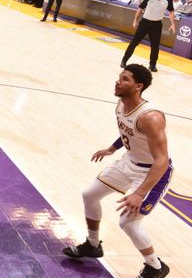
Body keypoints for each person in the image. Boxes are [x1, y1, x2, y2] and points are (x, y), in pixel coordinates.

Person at [63, 64, 172, 278]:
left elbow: (162, 160)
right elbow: (128, 131)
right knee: (89, 195)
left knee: (128, 223)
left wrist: (139, 193)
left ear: (138, 86)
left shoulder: (151, 117)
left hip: (152, 173)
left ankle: (156, 267)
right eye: (119, 78)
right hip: (128, 162)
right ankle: (93, 245)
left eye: (125, 79)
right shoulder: (121, 105)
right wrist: (111, 149)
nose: (118, 82)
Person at [121, 0, 176, 72]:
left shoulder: (168, 1)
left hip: (157, 25)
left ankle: (152, 65)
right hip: (145, 23)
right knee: (134, 42)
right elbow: (140, 9)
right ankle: (124, 60)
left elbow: (171, 12)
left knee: (155, 46)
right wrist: (135, 20)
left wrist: (173, 23)